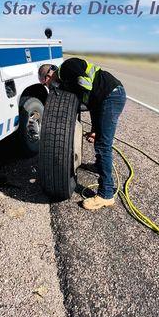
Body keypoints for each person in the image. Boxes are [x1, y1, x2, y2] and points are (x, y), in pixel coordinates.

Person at [38, 58, 126, 210]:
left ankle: (106, 194)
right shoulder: (67, 77)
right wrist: (94, 129)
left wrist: (66, 89)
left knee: (103, 146)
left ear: (48, 76)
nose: (49, 86)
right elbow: (92, 103)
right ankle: (99, 166)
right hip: (104, 98)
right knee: (99, 140)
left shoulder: (67, 67)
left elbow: (86, 84)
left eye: (45, 83)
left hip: (111, 96)